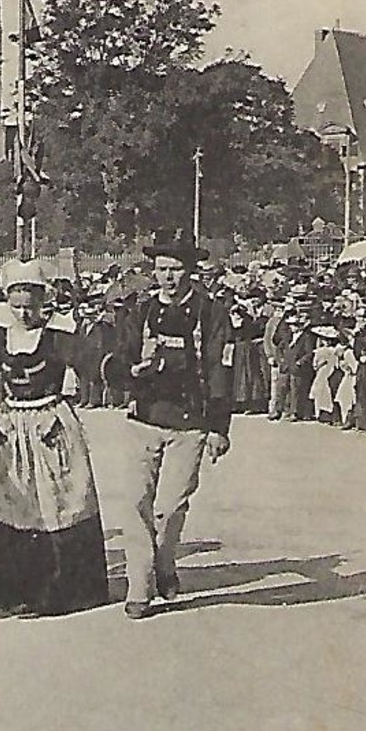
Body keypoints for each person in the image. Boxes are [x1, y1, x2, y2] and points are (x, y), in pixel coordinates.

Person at [0, 260, 108, 615]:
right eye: (17, 307)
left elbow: (93, 365)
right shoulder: (0, 340)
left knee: (60, 502)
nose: (24, 314)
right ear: (7, 304)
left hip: (51, 426)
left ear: (43, 303)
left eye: (31, 307)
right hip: (11, 428)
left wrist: (126, 374)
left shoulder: (58, 336)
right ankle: (20, 591)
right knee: (17, 501)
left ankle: (68, 590)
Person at [101, 228, 233, 620]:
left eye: (176, 269)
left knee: (171, 507)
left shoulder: (211, 312)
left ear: (191, 271)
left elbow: (220, 367)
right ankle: (139, 584)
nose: (168, 277)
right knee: (134, 501)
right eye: (161, 269)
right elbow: (117, 358)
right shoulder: (139, 311)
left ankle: (165, 563)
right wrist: (131, 370)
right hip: (143, 418)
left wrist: (219, 427)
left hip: (189, 423)